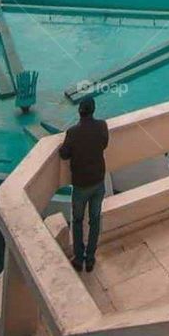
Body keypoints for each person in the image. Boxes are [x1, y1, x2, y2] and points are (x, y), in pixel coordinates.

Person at [59, 95, 109, 272]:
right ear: (93, 111)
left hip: (80, 185)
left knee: (78, 221)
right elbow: (104, 144)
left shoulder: (72, 133)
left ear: (79, 112)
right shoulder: (102, 126)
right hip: (98, 182)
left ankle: (79, 258)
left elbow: (64, 154)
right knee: (95, 220)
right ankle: (90, 258)